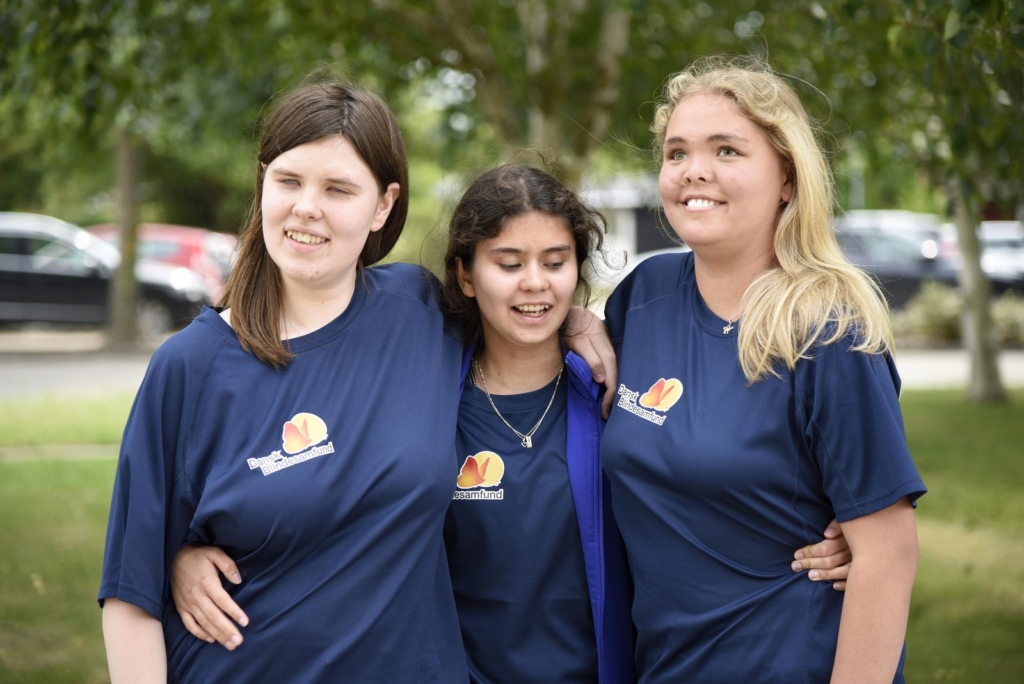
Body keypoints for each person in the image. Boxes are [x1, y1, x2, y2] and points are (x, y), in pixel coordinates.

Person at [168, 163, 856, 682]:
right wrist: (185, 552)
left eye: (555, 264)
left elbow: (705, 479)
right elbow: (323, 504)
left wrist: (818, 537)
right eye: (509, 263)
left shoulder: (620, 389)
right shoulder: (420, 395)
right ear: (465, 276)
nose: (536, 284)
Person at [98, 80, 471, 683]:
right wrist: (176, 558)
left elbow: (526, 319)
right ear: (263, 183)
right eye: (289, 181)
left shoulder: (424, 313)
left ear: (383, 204)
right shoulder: (190, 366)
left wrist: (582, 328)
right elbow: (129, 593)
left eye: (338, 189)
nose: (306, 207)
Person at [599, 56, 926, 683]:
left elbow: (887, 554)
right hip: (665, 665)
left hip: (789, 661)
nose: (695, 171)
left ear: (786, 176)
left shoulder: (829, 331)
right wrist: (576, 325)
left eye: (727, 150)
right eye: (676, 153)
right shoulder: (644, 295)